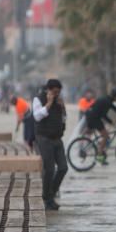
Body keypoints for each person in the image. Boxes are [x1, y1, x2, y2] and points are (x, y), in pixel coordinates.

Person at [32, 78, 68, 211]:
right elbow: (37, 116)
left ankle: (49, 194)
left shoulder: (59, 100)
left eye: (58, 92)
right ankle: (48, 199)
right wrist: (49, 103)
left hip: (57, 138)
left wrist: (62, 107)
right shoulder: (38, 99)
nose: (57, 94)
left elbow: (64, 118)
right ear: (48, 89)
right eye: (54, 91)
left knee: (63, 168)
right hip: (44, 138)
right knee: (50, 169)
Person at [84, 87, 116, 163]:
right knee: (105, 136)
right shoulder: (107, 101)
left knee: (106, 136)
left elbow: (113, 108)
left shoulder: (107, 100)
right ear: (115, 96)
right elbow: (104, 115)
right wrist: (111, 121)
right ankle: (99, 155)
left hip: (93, 116)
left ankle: (101, 154)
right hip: (93, 118)